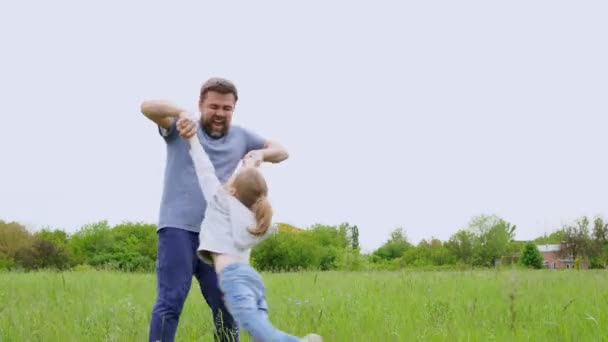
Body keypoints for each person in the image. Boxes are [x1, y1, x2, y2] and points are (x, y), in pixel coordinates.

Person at [141, 77, 289, 342]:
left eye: (226, 108)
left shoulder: (241, 136)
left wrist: (260, 155)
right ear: (201, 105)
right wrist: (180, 113)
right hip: (178, 228)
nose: (220, 113)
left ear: (233, 109)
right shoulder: (183, 126)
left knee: (226, 306)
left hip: (219, 237)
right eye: (214, 106)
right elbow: (147, 107)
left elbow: (282, 151)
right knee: (170, 301)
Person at [182, 111, 322, 342]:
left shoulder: (221, 202)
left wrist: (193, 139)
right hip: (251, 278)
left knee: (259, 330)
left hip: (234, 279)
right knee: (259, 331)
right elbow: (249, 187)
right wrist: (251, 166)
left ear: (233, 190)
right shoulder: (255, 217)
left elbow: (204, 169)